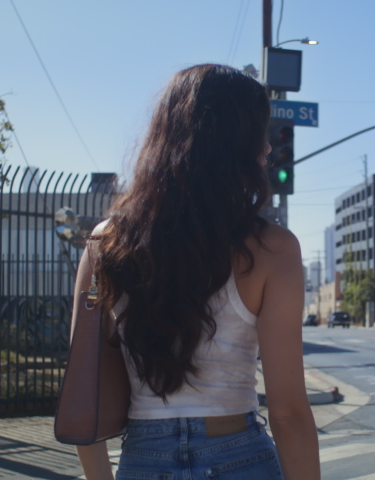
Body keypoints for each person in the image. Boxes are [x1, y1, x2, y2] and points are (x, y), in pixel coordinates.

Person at [73, 64, 320, 480]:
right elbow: (289, 411)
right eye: (260, 134)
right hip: (240, 455)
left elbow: (84, 386)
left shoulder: (106, 243)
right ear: (240, 144)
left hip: (143, 459)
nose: (266, 149)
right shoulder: (272, 249)